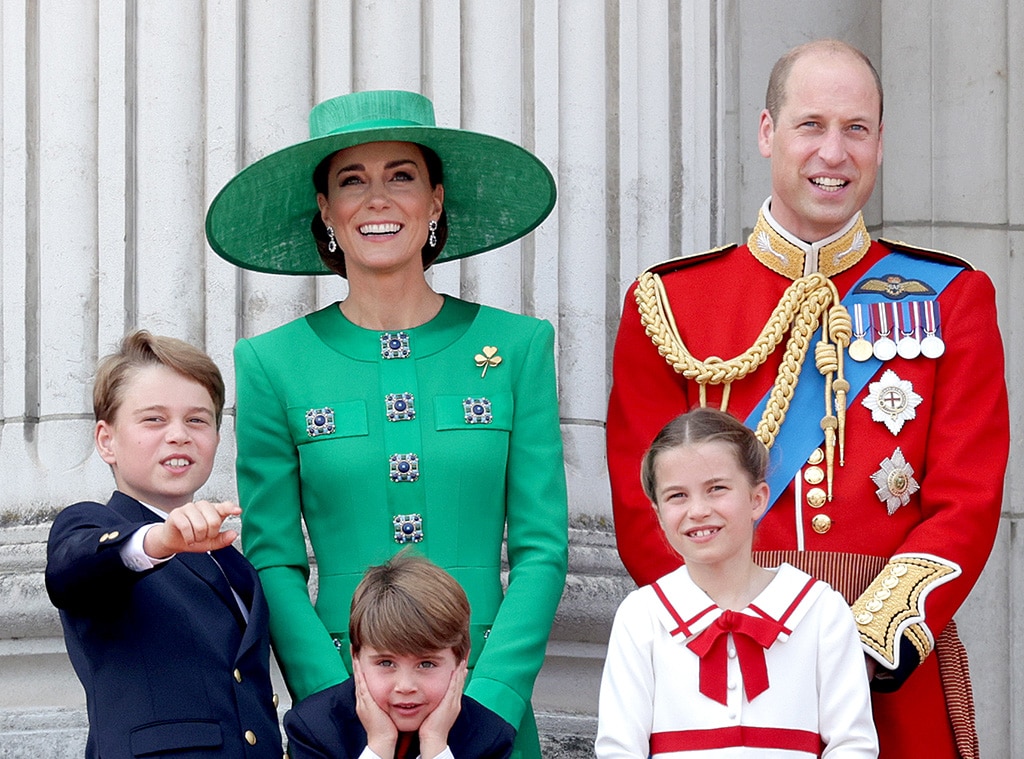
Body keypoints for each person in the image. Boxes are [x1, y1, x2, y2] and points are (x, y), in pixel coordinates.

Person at [606, 39, 1008, 758]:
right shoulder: (669, 303)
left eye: (856, 129)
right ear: (767, 133)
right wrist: (738, 627)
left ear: (880, 144)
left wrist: (867, 639)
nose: (834, 152)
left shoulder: (952, 298)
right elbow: (646, 508)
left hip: (888, 669)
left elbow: (966, 503)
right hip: (723, 663)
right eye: (811, 125)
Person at [205, 89, 568, 759]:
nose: (378, 199)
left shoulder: (516, 347)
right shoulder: (271, 364)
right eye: (352, 180)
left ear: (434, 200)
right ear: (326, 211)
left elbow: (543, 548)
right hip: (347, 710)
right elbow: (275, 560)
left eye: (401, 176)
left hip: (484, 699)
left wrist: (492, 698)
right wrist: (327, 701)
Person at [45, 330, 282, 759]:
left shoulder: (232, 560)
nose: (179, 435)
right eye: (154, 419)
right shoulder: (91, 525)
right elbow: (70, 573)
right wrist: (159, 540)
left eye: (197, 419)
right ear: (106, 440)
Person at [596, 408, 877, 757]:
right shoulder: (642, 617)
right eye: (677, 496)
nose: (697, 510)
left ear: (756, 499)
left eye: (716, 489)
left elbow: (853, 744)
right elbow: (618, 748)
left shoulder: (820, 610)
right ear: (658, 514)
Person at [284, 553, 516, 759]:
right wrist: (379, 746)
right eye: (386, 662)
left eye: (426, 663)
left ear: (461, 660)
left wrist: (435, 745)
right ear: (356, 659)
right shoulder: (315, 728)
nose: (405, 687)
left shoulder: (489, 737)